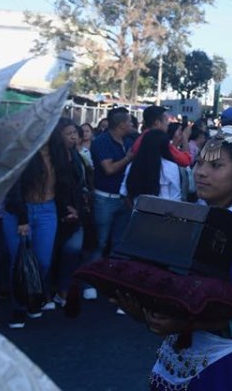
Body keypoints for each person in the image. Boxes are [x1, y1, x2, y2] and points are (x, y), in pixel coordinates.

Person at [118, 127, 232, 391]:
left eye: (216, 165)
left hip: (228, 363)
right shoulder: (193, 215)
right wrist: (146, 310)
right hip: (179, 354)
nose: (201, 172)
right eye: (200, 163)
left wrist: (189, 324)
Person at [2, 122, 70, 327]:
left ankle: (33, 298)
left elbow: (65, 184)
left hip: (47, 210)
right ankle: (19, 308)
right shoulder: (21, 153)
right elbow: (13, 187)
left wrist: (67, 207)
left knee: (43, 261)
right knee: (19, 262)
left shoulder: (59, 153)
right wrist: (22, 218)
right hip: (19, 212)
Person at [51, 118, 94, 308]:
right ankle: (54, 290)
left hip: (78, 211)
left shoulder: (76, 155)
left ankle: (64, 289)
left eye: (75, 133)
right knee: (55, 253)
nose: (74, 136)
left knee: (73, 251)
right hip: (58, 210)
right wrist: (65, 207)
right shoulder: (52, 157)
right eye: (69, 133)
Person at [88, 108, 136, 262]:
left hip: (124, 199)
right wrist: (128, 158)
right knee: (100, 243)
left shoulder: (128, 141)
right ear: (121, 125)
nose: (132, 124)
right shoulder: (101, 142)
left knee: (119, 243)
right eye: (129, 122)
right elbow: (108, 169)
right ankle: (89, 282)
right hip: (105, 199)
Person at [121, 129, 183, 202]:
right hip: (164, 211)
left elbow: (124, 193)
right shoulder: (171, 167)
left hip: (138, 210)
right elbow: (175, 197)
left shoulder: (133, 165)